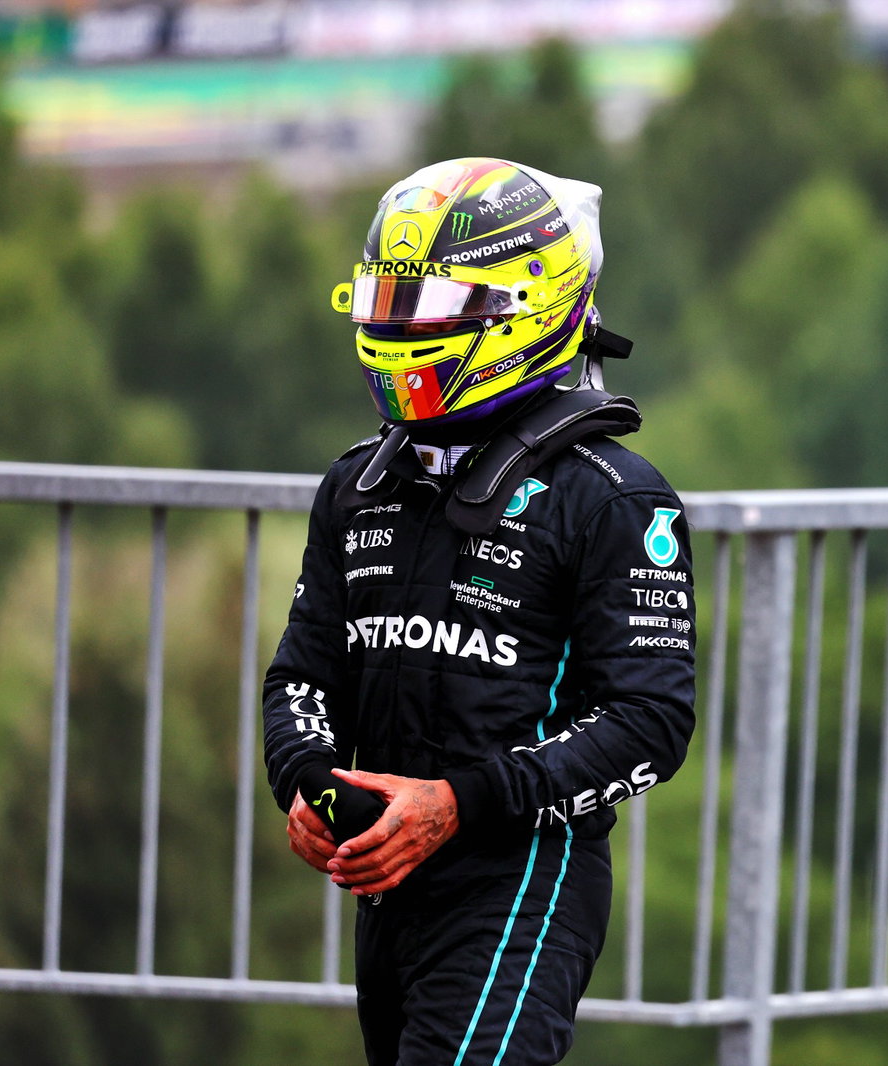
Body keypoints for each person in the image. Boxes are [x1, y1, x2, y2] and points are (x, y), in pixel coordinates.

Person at [261, 157, 697, 1066]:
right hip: (384, 894)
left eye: (434, 307)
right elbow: (302, 675)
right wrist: (304, 779)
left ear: (524, 310)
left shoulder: (614, 496)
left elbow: (651, 721)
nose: (404, 328)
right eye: (389, 300)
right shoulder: (357, 483)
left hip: (521, 888)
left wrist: (461, 804)